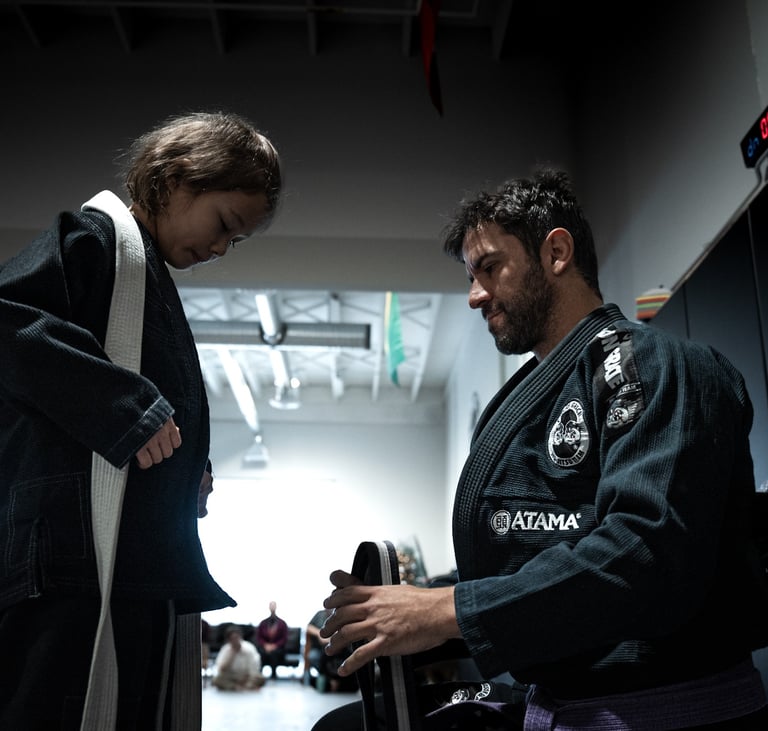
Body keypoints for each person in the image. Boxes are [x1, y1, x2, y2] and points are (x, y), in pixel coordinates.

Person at [313, 169, 768, 730]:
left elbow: (643, 551)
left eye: (489, 268)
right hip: (557, 692)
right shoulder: (528, 396)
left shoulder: (658, 366)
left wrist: (447, 610)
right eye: (471, 276)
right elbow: (528, 562)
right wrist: (402, 611)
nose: (475, 295)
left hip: (661, 706)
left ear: (556, 253)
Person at [0, 110, 282, 729]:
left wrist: (187, 466)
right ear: (176, 178)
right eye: (224, 224)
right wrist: (129, 413)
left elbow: (147, 400)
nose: (219, 248)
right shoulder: (95, 241)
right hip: (74, 569)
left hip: (127, 565)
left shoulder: (143, 275)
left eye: (234, 241)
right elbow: (7, 323)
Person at [212, 625, 266, 691]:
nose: (235, 641)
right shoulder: (226, 649)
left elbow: (255, 667)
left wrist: (245, 678)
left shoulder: (249, 648)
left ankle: (240, 687)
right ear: (229, 640)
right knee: (217, 680)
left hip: (247, 677)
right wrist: (232, 654)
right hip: (232, 677)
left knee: (260, 679)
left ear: (240, 637)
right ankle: (240, 687)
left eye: (236, 638)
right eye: (232, 639)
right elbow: (221, 669)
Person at [256, 600, 289, 679]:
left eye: (274, 605)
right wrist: (265, 645)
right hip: (265, 647)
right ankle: (259, 675)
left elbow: (284, 638)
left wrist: (275, 646)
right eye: (271, 606)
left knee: (274, 653)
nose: (272, 607)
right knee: (261, 653)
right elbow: (259, 637)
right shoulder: (263, 623)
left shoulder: (282, 623)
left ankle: (273, 675)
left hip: (278, 648)